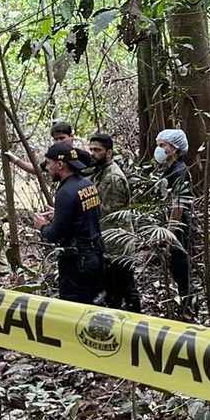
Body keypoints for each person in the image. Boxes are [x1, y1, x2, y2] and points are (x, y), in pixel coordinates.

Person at [32, 143, 103, 304]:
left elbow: (55, 235)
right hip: (95, 256)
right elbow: (86, 218)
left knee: (75, 310)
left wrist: (42, 226)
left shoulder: (65, 192)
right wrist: (59, 215)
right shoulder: (87, 185)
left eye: (49, 163)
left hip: (78, 263)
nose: (48, 168)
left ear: (60, 165)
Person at [88, 133, 140, 312]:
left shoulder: (113, 177)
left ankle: (139, 323)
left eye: (98, 150)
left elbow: (110, 214)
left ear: (109, 152)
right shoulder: (101, 172)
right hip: (108, 242)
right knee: (113, 289)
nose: (93, 153)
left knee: (126, 287)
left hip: (118, 244)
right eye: (92, 149)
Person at [154, 128, 194, 313]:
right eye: (158, 145)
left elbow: (178, 207)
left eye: (163, 145)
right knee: (175, 268)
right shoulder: (169, 169)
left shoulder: (179, 171)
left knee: (181, 268)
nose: (159, 149)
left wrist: (169, 234)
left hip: (180, 228)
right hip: (172, 227)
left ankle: (188, 307)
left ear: (174, 148)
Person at [5, 121, 75, 175]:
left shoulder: (81, 155)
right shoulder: (55, 157)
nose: (59, 142)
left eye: (62, 138)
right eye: (56, 139)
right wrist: (15, 159)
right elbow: (36, 169)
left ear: (71, 136)